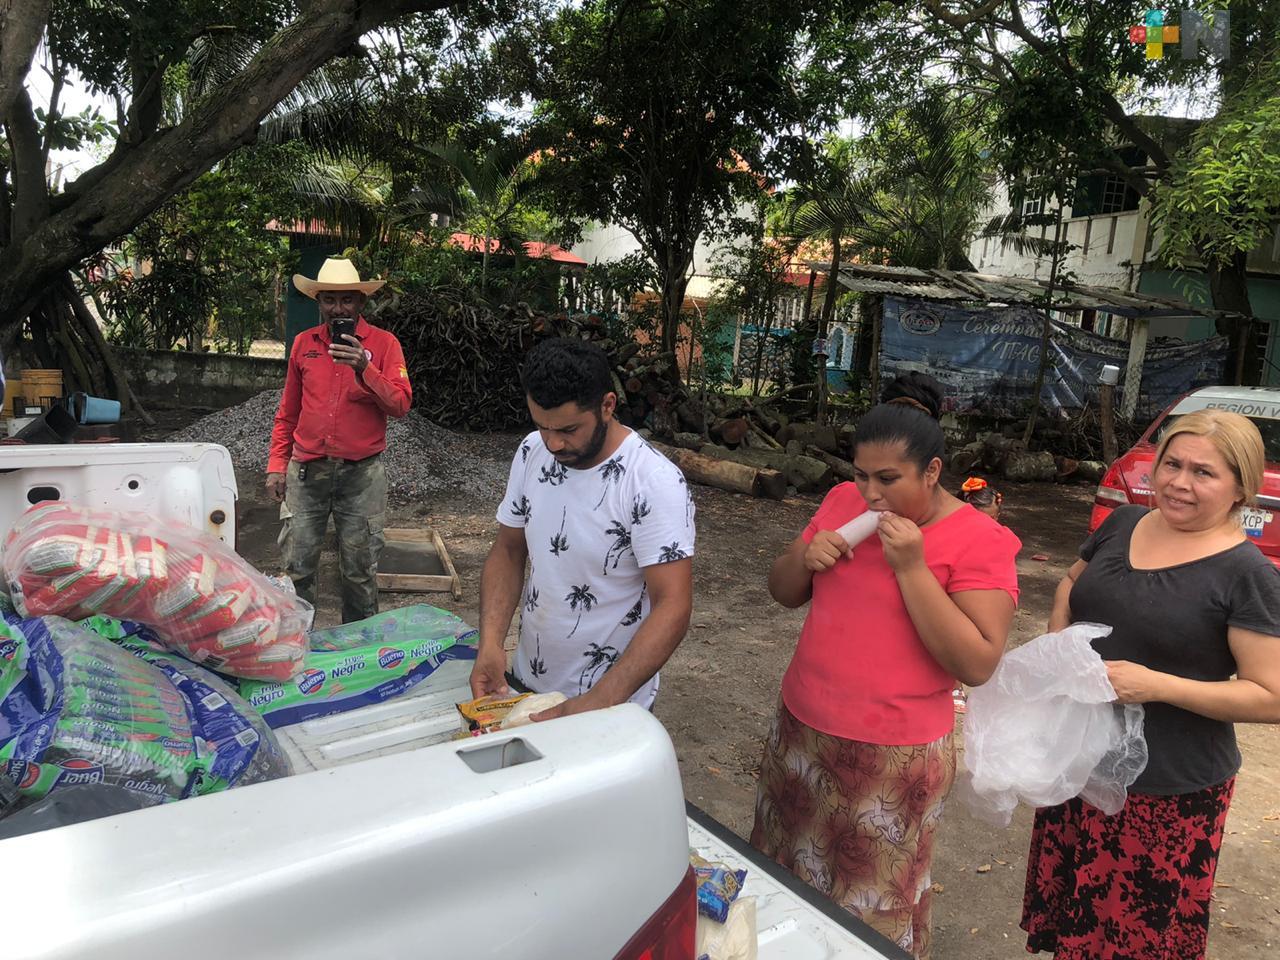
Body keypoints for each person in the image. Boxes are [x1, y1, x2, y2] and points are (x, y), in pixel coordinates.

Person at [751, 373, 1020, 960]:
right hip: (803, 729)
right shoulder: (842, 503)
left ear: (932, 472)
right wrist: (804, 555)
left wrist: (911, 568)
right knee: (784, 868)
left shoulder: (981, 540)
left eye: (888, 479)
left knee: (869, 901)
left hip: (892, 755)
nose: (869, 494)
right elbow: (783, 591)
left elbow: (977, 661)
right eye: (860, 474)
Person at [1022, 409, 1280, 960]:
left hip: (1166, 792)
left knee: (1134, 941)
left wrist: (1156, 685)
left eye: (1204, 473)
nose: (1179, 483)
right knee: (1077, 930)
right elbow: (1072, 581)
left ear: (1241, 488)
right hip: (1080, 761)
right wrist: (1061, 648)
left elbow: (1270, 695)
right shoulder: (1124, 524)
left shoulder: (1248, 575)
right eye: (1172, 464)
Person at [468, 338, 695, 719]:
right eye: (542, 426)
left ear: (607, 405)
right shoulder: (530, 452)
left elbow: (673, 606)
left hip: (609, 703)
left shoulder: (652, 482)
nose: (553, 443)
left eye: (569, 429)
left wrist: (601, 700)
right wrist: (491, 642)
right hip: (525, 684)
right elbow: (508, 550)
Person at [267, 258, 411, 624]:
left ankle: (358, 653)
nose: (338, 309)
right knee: (296, 567)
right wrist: (276, 466)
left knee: (360, 571)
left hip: (361, 476)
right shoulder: (304, 345)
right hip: (306, 473)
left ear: (361, 303)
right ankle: (295, 646)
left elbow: (400, 404)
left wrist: (365, 367)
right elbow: (288, 411)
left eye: (347, 300)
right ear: (319, 303)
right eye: (329, 300)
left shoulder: (384, 344)